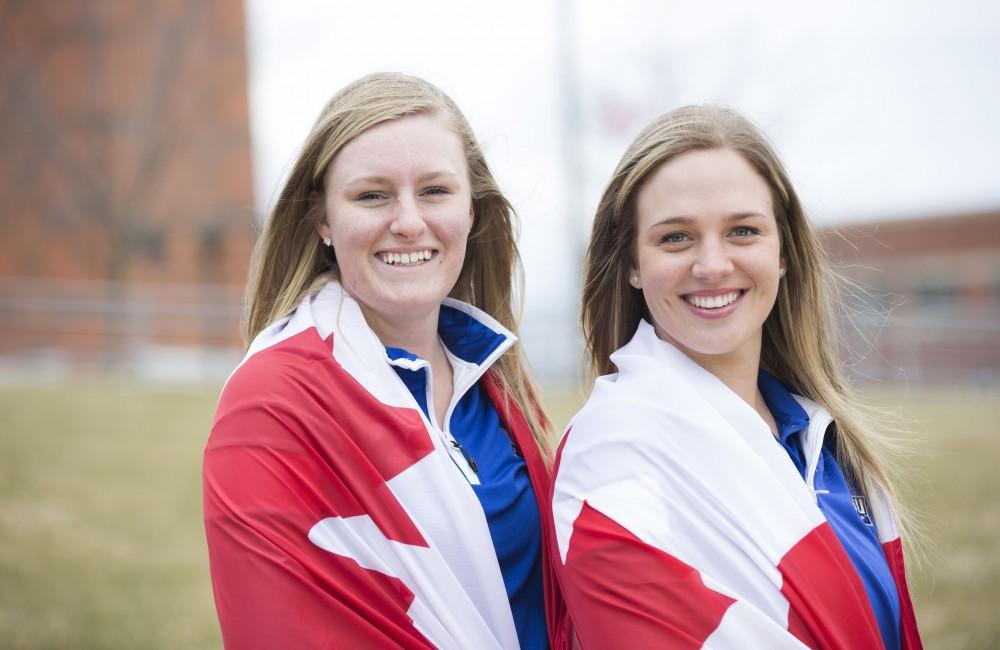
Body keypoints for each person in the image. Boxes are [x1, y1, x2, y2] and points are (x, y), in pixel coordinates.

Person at [203, 72, 568, 649]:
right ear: (322, 220)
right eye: (372, 195)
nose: (407, 222)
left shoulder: (494, 375)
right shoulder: (273, 402)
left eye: (435, 191)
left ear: (472, 210)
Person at [550, 105, 922, 649]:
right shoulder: (613, 455)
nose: (712, 265)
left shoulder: (821, 437)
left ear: (783, 253)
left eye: (742, 230)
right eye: (675, 238)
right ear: (631, 263)